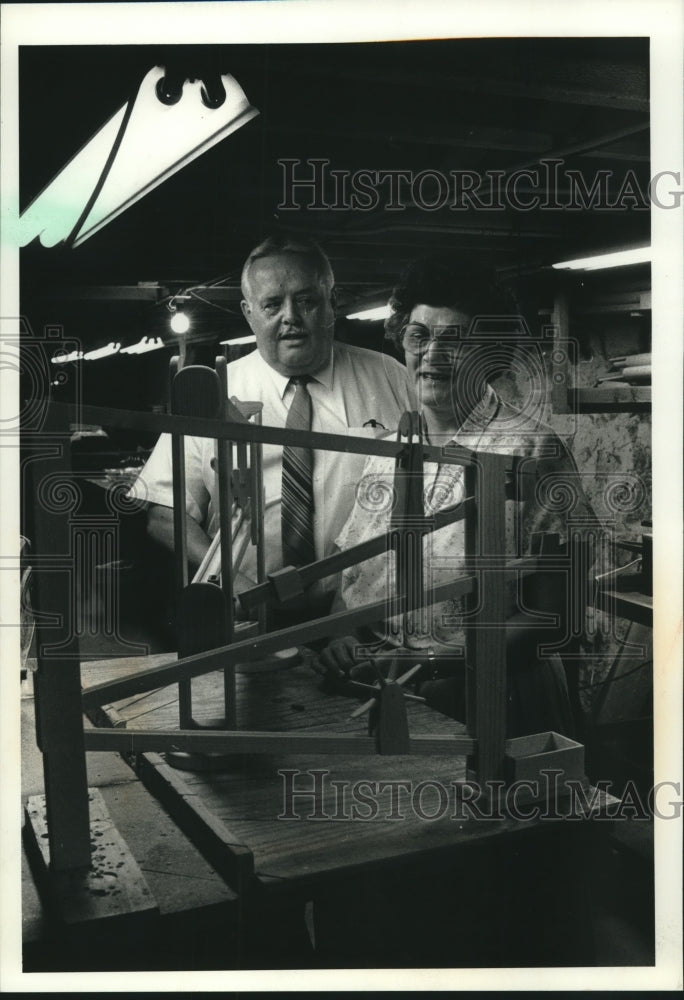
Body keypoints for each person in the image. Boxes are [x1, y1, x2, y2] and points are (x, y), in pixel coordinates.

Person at [314, 255, 601, 738]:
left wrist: (430, 661)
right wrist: (342, 635)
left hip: (495, 699)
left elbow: (558, 615)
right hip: (386, 690)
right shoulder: (385, 453)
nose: (433, 355)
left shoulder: (533, 451)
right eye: (419, 335)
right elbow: (352, 583)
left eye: (456, 340)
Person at [129, 234, 414, 617]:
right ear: (249, 313)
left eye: (307, 300)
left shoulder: (391, 378)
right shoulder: (213, 394)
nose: (290, 318)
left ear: (333, 301)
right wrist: (234, 584)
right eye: (272, 304)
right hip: (248, 615)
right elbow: (165, 515)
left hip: (363, 613)